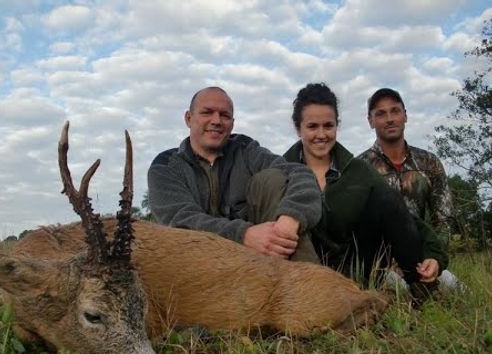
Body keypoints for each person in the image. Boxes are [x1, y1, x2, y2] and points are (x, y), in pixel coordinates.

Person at [282, 82, 448, 295]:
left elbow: (399, 213)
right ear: (298, 128)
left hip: (354, 270)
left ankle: (422, 291)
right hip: (300, 275)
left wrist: (434, 255)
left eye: (328, 126)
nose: (321, 134)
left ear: (336, 126)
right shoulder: (280, 170)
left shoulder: (359, 170)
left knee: (386, 198)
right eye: (312, 126)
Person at [147, 86, 321, 262]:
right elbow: (181, 221)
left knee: (274, 179)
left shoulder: (246, 150)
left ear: (232, 123)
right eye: (207, 112)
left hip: (259, 256)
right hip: (196, 263)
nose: (216, 121)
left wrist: (291, 218)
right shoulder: (165, 166)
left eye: (225, 115)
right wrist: (243, 234)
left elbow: (300, 173)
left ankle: (312, 284)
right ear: (188, 118)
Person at [358, 88, 459, 291]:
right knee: (398, 294)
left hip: (422, 262)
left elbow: (444, 219)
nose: (389, 119)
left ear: (405, 115)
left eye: (395, 111)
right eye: (380, 113)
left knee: (457, 290)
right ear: (370, 121)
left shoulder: (429, 163)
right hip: (380, 268)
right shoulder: (360, 168)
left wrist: (434, 258)